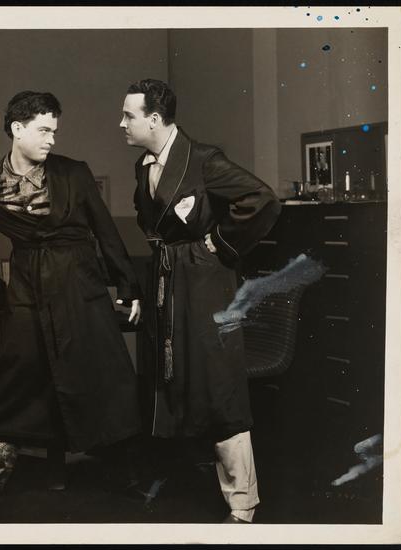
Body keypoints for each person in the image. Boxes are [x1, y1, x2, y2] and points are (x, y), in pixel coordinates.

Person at [0, 91, 142, 505]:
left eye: (54, 131)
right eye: (44, 130)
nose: (52, 140)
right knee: (16, 374)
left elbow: (105, 230)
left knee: (103, 375)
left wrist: (128, 286)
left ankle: (126, 473)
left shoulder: (74, 173)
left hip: (79, 284)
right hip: (28, 286)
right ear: (17, 129)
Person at [119, 79, 281, 523]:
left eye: (129, 115)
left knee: (218, 385)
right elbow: (150, 217)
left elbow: (262, 199)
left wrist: (220, 242)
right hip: (168, 283)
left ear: (154, 119)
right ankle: (179, 474)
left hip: (206, 283)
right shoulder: (142, 166)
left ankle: (242, 504)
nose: (122, 123)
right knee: (171, 378)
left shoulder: (205, 159)